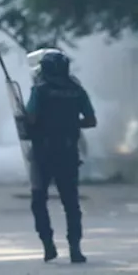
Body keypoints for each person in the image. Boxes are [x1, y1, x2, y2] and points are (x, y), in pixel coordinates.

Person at [23, 48, 97, 264]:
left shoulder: (40, 90)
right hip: (68, 152)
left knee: (39, 200)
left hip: (42, 153)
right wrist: (71, 123)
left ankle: (48, 245)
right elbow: (91, 121)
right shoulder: (77, 90)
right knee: (71, 202)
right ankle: (75, 247)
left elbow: (32, 118)